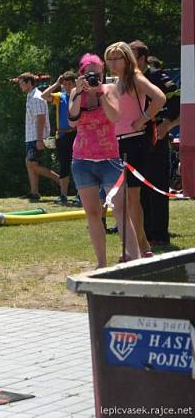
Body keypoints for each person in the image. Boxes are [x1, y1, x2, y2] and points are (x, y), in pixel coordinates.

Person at [68, 54, 140, 268]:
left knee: (121, 209)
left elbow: (114, 116)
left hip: (109, 159)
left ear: (102, 74)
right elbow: (73, 121)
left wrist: (99, 93)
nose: (93, 77)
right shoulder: (75, 92)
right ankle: (101, 262)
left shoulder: (110, 90)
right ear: (81, 74)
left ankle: (134, 259)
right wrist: (80, 94)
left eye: (97, 74)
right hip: (82, 161)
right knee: (92, 213)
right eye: (89, 74)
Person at [105, 41, 165, 258]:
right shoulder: (113, 81)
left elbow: (160, 97)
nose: (112, 63)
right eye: (109, 59)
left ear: (127, 58)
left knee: (132, 198)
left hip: (134, 142)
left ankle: (140, 248)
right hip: (114, 144)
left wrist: (144, 119)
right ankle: (138, 247)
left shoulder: (136, 77)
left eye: (116, 58)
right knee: (121, 200)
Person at [129, 41, 181, 247]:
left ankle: (159, 234)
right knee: (137, 187)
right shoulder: (128, 81)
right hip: (134, 138)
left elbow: (177, 102)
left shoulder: (159, 78)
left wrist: (168, 124)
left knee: (156, 186)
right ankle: (143, 233)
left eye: (132, 57)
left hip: (155, 137)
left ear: (142, 59)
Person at [18, 73, 59, 202]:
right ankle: (34, 192)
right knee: (30, 163)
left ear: (29, 83)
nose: (20, 86)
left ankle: (59, 179)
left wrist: (39, 139)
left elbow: (40, 119)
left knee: (31, 164)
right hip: (31, 136)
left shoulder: (36, 97)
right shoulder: (31, 97)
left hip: (36, 137)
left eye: (21, 83)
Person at [41, 71, 78, 204]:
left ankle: (80, 195)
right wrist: (57, 83)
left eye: (70, 84)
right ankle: (63, 195)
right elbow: (44, 95)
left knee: (78, 165)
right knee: (64, 165)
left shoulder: (79, 96)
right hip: (62, 135)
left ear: (75, 84)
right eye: (65, 84)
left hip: (77, 134)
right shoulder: (59, 97)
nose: (68, 87)